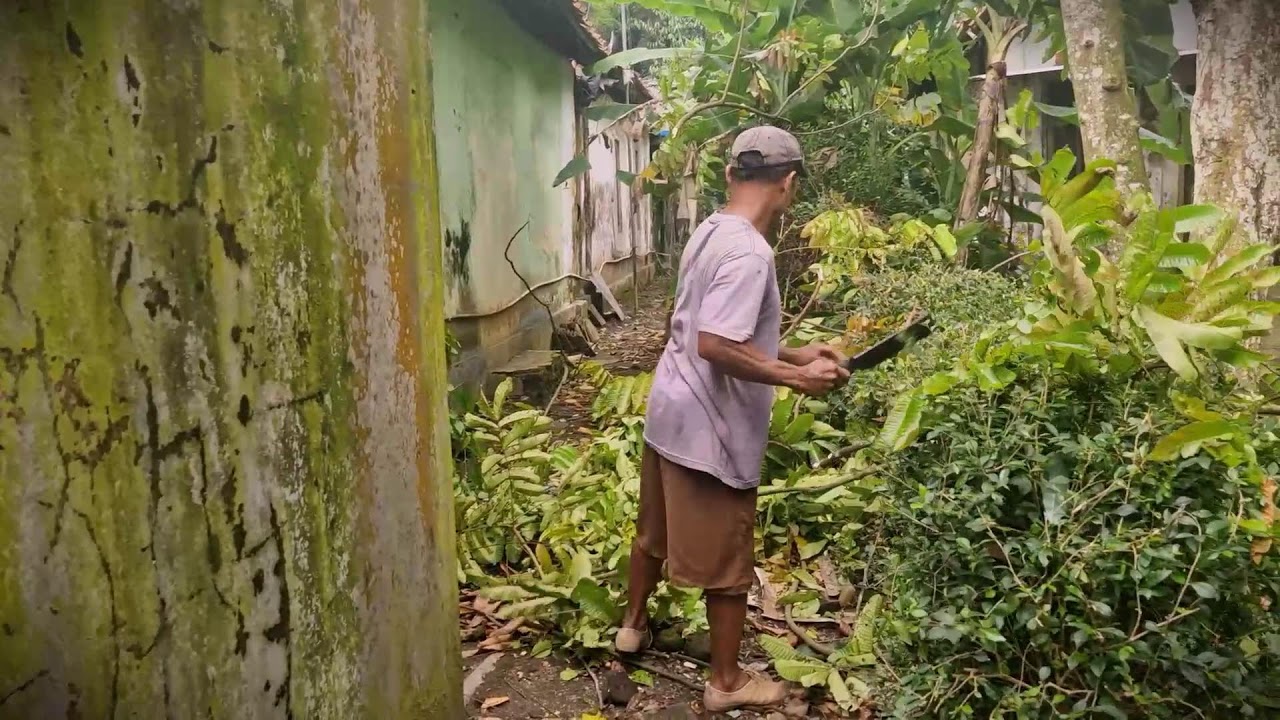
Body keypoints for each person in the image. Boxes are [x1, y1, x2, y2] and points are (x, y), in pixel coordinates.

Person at [616, 126, 848, 712]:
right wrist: (798, 379)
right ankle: (725, 684)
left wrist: (799, 353)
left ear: (729, 176)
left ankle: (633, 627)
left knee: (653, 533)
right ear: (789, 183)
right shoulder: (750, 251)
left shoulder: (712, 230)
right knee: (729, 564)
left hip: (670, 409)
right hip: (710, 428)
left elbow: (704, 323)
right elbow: (717, 344)